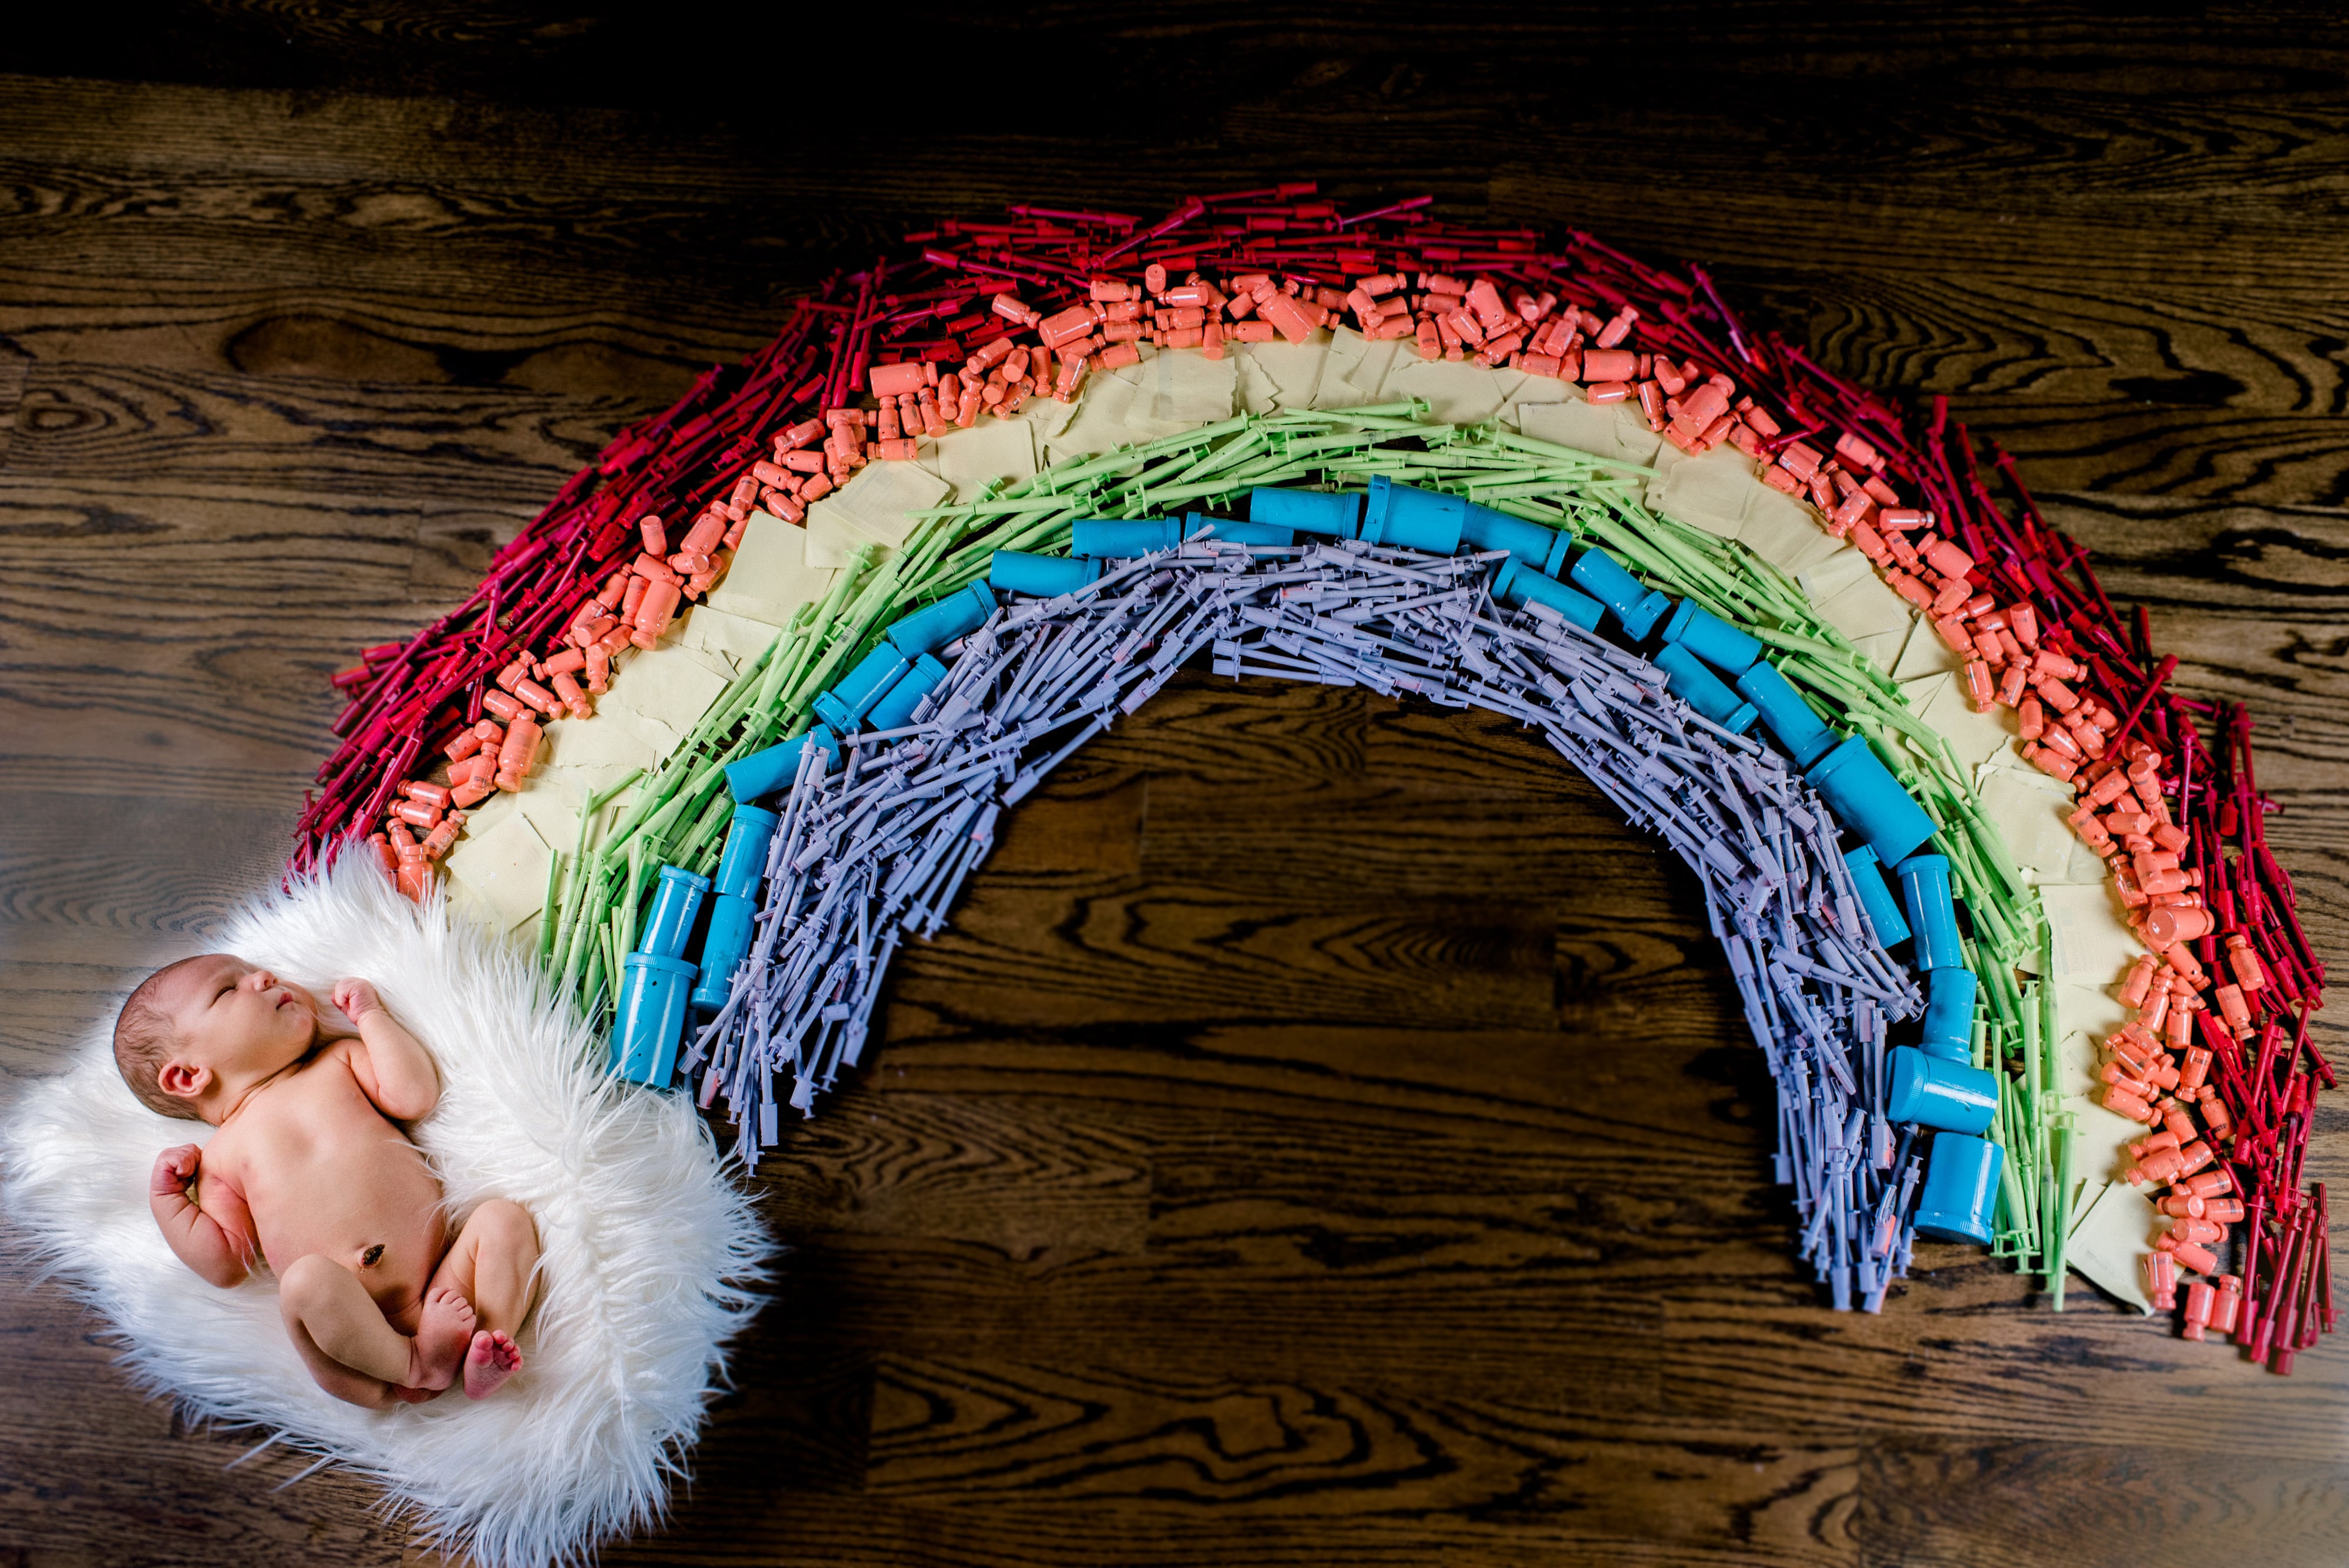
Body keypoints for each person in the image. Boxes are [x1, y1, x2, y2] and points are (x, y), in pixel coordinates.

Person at [116, 955, 537, 1408]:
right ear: (188, 1075)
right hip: (355, 1334)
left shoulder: (340, 1059)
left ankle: (487, 1346)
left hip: (442, 1289)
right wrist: (168, 1201)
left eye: (254, 972)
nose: (263, 977)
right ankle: (412, 1365)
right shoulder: (218, 1160)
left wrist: (372, 1017)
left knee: (503, 1220)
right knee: (304, 1283)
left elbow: (415, 1095)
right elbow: (225, 1265)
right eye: (228, 989)